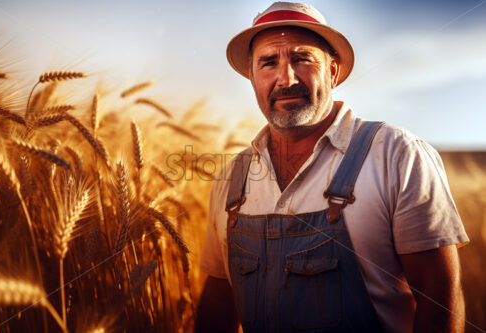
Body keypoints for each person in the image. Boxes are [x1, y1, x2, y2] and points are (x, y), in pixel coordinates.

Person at [195, 2, 469, 332]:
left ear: (333, 72)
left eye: (302, 59)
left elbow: (439, 295)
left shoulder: (397, 154)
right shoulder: (231, 177)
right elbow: (219, 301)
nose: (286, 78)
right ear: (252, 77)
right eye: (269, 63)